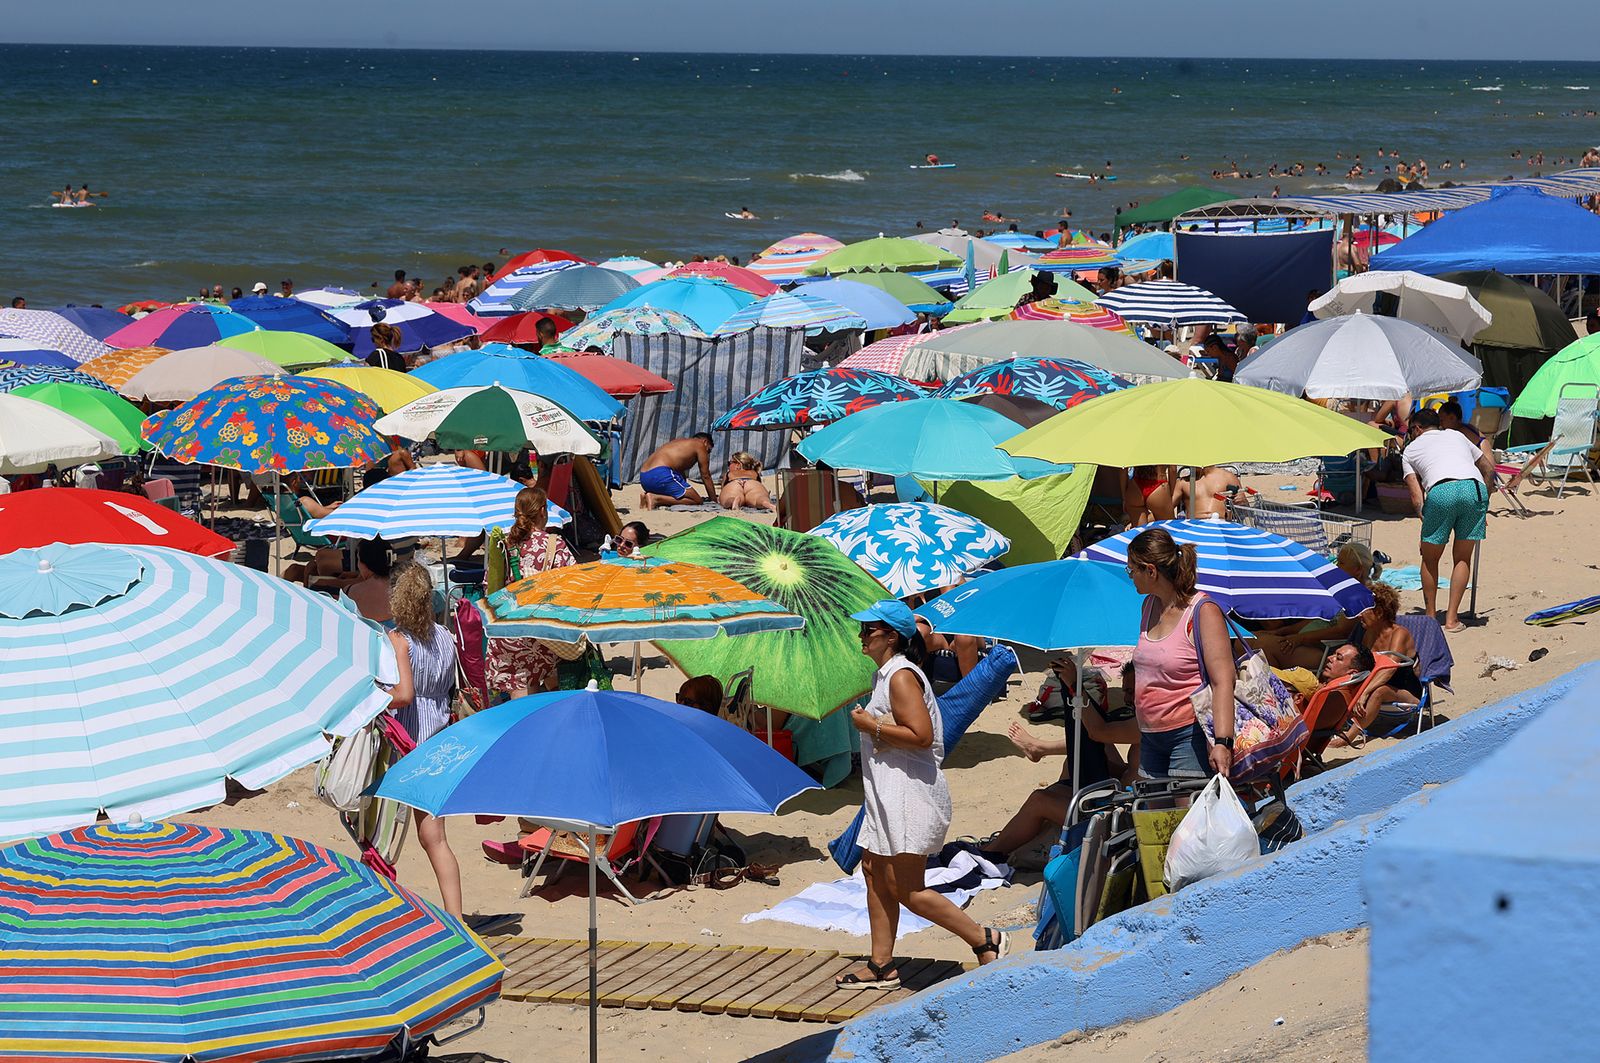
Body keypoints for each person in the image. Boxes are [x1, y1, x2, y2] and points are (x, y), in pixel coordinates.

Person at [836, 600, 1010, 990]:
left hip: (909, 796)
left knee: (908, 888)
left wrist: (871, 725)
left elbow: (922, 736)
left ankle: (985, 938)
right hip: (888, 793)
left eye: (869, 630)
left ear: (891, 636)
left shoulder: (900, 676)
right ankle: (882, 965)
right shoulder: (887, 675)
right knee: (873, 872)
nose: (862, 636)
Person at [982, 662, 1140, 862]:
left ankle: (990, 853)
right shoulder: (1149, 721)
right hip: (1119, 799)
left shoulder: (1146, 723)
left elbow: (1099, 731)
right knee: (1077, 760)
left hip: (1118, 821)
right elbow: (1133, 769)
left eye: (1132, 691)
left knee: (1040, 800)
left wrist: (1075, 684)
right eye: (1126, 691)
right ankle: (1014, 838)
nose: (1127, 699)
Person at [382, 561, 463, 917]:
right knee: (435, 838)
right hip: (439, 741)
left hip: (406, 743)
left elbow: (403, 695)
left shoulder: (400, 640)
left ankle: (378, 910)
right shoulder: (445, 636)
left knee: (379, 833)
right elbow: (448, 688)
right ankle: (457, 916)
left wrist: (375, 692)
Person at [1127, 528, 1235, 777]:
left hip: (1189, 735)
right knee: (1154, 816)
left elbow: (1223, 681)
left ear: (1150, 571)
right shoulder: (1149, 605)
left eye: (1132, 569)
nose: (1130, 576)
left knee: (1187, 814)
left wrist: (1222, 742)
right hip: (1150, 735)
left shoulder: (1203, 611)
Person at [1402, 407, 1494, 632]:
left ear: (1417, 428)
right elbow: (1488, 468)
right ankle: (1452, 620)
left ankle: (1431, 618)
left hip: (1442, 490)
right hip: (1475, 488)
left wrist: (1427, 523)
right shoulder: (1456, 435)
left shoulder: (1410, 449)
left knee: (1430, 558)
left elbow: (1416, 497)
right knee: (1462, 558)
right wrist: (1484, 501)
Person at [486, 487, 576, 699]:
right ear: (543, 511)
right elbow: (573, 586)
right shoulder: (555, 544)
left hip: (507, 627)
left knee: (519, 690)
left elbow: (489, 584)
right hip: (540, 630)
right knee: (542, 690)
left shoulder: (504, 544)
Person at [639, 432, 717, 509]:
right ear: (705, 442)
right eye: (708, 450)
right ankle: (656, 499)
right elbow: (706, 476)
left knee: (682, 495)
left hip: (644, 478)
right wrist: (714, 500)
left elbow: (680, 475)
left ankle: (646, 498)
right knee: (696, 500)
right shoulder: (700, 444)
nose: (707, 454)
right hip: (661, 475)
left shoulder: (679, 443)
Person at [344, 538, 394, 628]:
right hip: (395, 641)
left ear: (365, 563)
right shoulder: (402, 590)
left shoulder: (351, 592)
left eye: (358, 559)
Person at [1176, 465, 1241, 519]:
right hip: (1194, 526)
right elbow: (1168, 507)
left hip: (1221, 524)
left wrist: (1239, 500)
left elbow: (1243, 505)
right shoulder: (1182, 482)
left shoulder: (1228, 477)